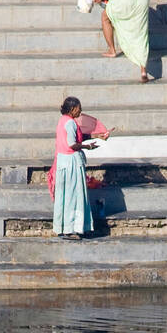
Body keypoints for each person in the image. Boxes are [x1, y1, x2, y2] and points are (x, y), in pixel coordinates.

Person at [53, 97, 99, 239]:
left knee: (65, 195)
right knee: (73, 195)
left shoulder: (63, 121)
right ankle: (71, 229)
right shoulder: (70, 123)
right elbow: (73, 144)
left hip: (63, 161)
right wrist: (88, 147)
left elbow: (78, 136)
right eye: (79, 108)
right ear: (72, 109)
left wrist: (97, 136)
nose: (81, 110)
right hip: (71, 163)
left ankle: (63, 227)